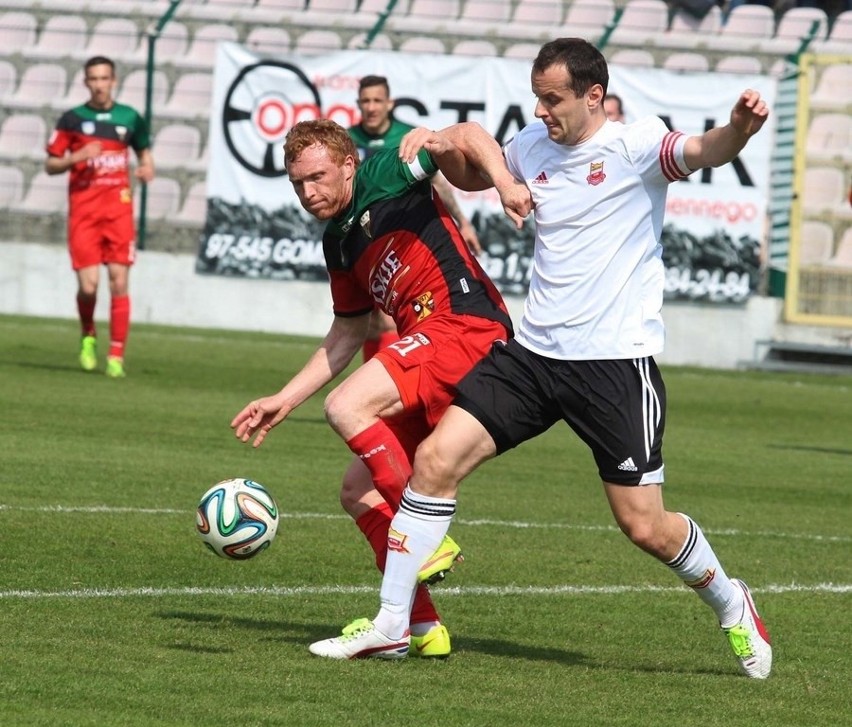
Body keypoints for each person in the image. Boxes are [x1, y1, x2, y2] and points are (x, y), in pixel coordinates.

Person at [309, 37, 774, 680]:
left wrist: (741, 129)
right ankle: (392, 624)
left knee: (644, 526)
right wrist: (440, 144)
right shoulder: (531, 145)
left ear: (593, 97)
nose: (542, 109)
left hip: (613, 367)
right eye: (536, 96)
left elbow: (704, 149)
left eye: (552, 98)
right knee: (434, 460)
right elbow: (472, 169)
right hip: (533, 355)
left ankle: (731, 601)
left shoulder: (637, 144)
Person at [231, 119, 523, 658]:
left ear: (348, 165)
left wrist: (503, 182)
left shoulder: (387, 173)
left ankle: (430, 541)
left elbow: (468, 135)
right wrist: (283, 400)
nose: (307, 192)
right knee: (357, 492)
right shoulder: (337, 242)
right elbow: (346, 333)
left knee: (346, 406)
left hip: (465, 326)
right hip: (429, 347)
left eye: (317, 177)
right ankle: (420, 627)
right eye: (297, 183)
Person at [348, 74, 482, 361]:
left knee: (391, 318)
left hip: (401, 239)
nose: (371, 107)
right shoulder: (349, 141)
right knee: (369, 326)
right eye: (365, 101)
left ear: (389, 103)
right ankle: (379, 388)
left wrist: (464, 223)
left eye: (376, 100)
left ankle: (392, 387)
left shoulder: (408, 136)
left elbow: (438, 182)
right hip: (361, 243)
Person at [45, 55, 155, 378]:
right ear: (86, 82)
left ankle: (116, 355)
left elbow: (144, 154)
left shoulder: (130, 117)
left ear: (113, 80)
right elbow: (50, 164)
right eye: (93, 79)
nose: (98, 84)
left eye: (104, 78)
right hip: (84, 212)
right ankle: (88, 333)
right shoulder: (71, 119)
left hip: (118, 212)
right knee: (89, 287)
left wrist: (148, 168)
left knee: (119, 281)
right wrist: (77, 156)